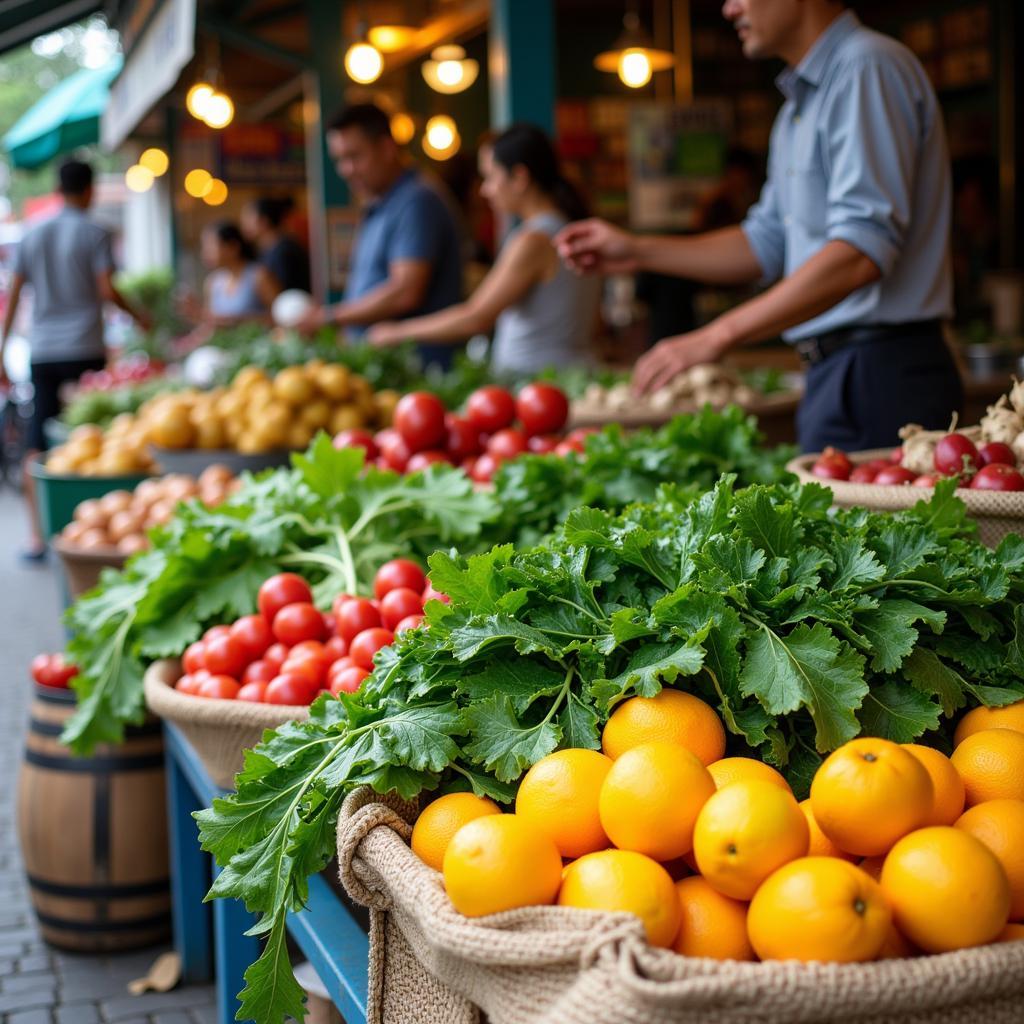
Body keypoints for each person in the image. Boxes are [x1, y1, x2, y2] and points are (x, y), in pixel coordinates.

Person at [557, 0, 961, 453]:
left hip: (883, 371)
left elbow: (860, 252)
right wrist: (636, 251)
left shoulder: (867, 67)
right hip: (835, 371)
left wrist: (714, 337)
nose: (729, 9)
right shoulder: (797, 107)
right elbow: (765, 242)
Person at [0, 159, 149, 559]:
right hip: (85, 347)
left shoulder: (33, 233)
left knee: (37, 444)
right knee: (96, 440)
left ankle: (37, 538)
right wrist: (141, 318)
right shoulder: (94, 232)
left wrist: (0, 351)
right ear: (90, 190)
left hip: (44, 350)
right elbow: (107, 289)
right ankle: (95, 529)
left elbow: (14, 296)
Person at [369, 124, 600, 376]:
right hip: (567, 376)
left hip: (538, 384)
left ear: (520, 178)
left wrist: (396, 332)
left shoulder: (534, 240)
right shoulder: (568, 228)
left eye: (490, 177)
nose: (484, 190)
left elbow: (476, 317)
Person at [300, 103, 464, 370]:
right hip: (380, 366)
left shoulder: (416, 201)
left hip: (416, 372)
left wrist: (329, 317)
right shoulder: (379, 204)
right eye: (339, 160)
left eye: (354, 156)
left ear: (387, 148)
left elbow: (405, 291)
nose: (346, 169)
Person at [199, 222, 273, 324]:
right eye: (204, 246)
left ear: (233, 247)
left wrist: (232, 321)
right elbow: (209, 324)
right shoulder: (212, 283)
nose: (205, 252)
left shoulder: (258, 276)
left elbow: (278, 317)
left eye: (211, 245)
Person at [241, 196, 311, 296]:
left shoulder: (285, 251)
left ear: (264, 221)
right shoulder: (268, 250)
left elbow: (287, 294)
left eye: (248, 218)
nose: (244, 224)